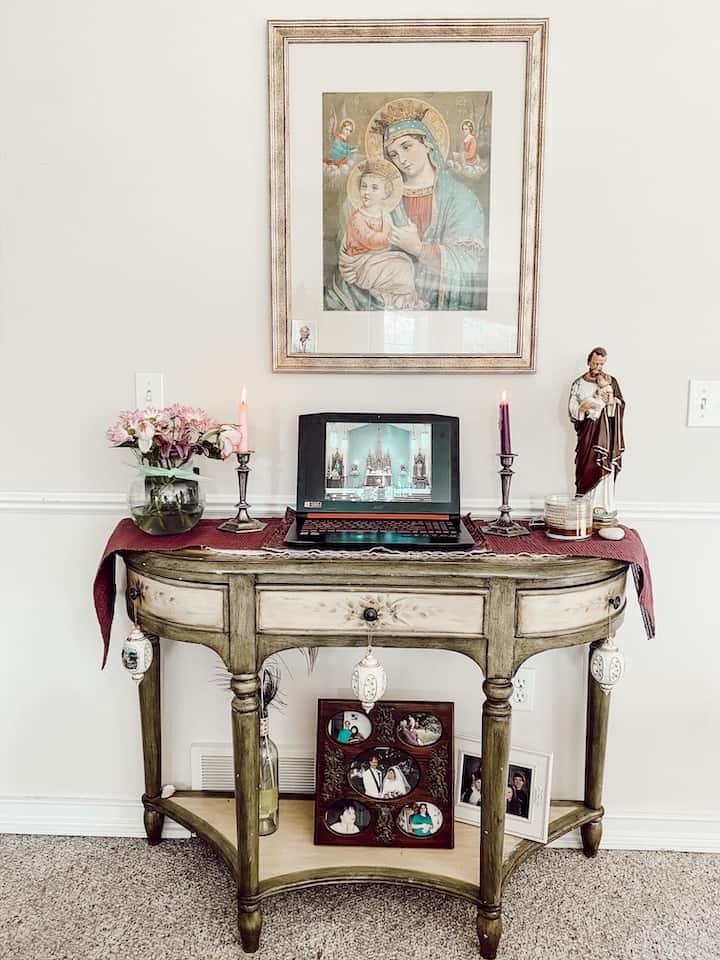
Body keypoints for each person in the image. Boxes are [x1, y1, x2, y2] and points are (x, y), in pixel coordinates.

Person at [326, 98, 487, 311]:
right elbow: (355, 249)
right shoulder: (377, 195)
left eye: (406, 146)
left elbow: (469, 265)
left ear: (428, 143)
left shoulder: (462, 199)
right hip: (378, 296)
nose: (400, 158)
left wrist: (420, 250)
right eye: (393, 154)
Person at [338, 160, 427, 310]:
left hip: (377, 260)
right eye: (364, 186)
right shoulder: (357, 217)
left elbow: (387, 236)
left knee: (405, 263)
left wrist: (407, 234)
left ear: (385, 193)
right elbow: (371, 240)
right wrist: (397, 237)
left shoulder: (384, 215)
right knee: (399, 268)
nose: (367, 192)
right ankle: (400, 303)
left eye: (374, 188)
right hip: (360, 264)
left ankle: (403, 302)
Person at [568, 347, 626, 522]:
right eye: (595, 363)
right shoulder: (578, 383)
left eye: (601, 363)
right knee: (586, 464)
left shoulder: (611, 382)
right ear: (588, 362)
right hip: (587, 432)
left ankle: (602, 505)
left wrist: (612, 403)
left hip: (606, 435)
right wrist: (581, 409)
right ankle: (584, 503)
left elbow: (620, 404)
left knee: (603, 463)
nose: (598, 367)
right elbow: (572, 409)